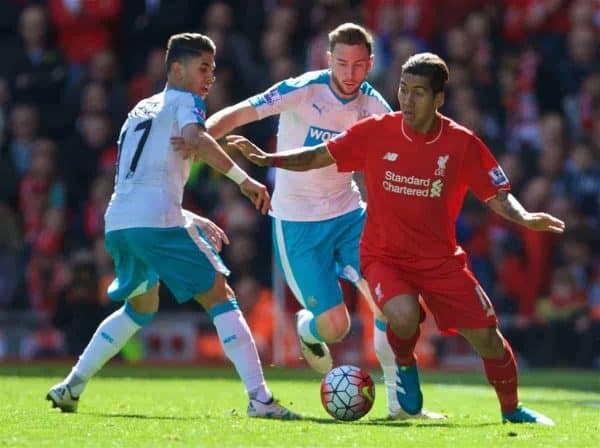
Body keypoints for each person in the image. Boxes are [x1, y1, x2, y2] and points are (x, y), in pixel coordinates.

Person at [225, 52, 565, 425]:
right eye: (403, 89)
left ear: (439, 99)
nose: (407, 99)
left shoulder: (461, 143)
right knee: (400, 314)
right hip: (384, 256)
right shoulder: (377, 131)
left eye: (418, 92)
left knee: (489, 340)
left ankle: (512, 410)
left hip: (440, 261)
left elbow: (497, 195)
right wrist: (267, 159)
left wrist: (525, 217)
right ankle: (404, 365)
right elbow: (317, 156)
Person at [46, 32, 300, 420]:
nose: (210, 76)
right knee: (221, 294)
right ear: (176, 69)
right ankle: (260, 399)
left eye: (213, 69)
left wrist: (189, 216)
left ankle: (71, 386)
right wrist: (244, 180)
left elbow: (145, 177)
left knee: (140, 307)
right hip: (154, 219)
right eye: (203, 68)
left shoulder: (140, 110)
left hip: (120, 221)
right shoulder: (187, 101)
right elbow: (197, 140)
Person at [203, 22, 419, 419]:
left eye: (358, 65)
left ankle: (399, 406)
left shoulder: (373, 106)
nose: (349, 74)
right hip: (297, 223)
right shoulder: (303, 88)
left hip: (350, 216)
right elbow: (241, 112)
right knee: (335, 326)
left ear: (370, 64)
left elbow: (401, 153)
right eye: (341, 64)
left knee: (388, 302)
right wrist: (199, 134)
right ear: (328, 60)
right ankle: (309, 329)